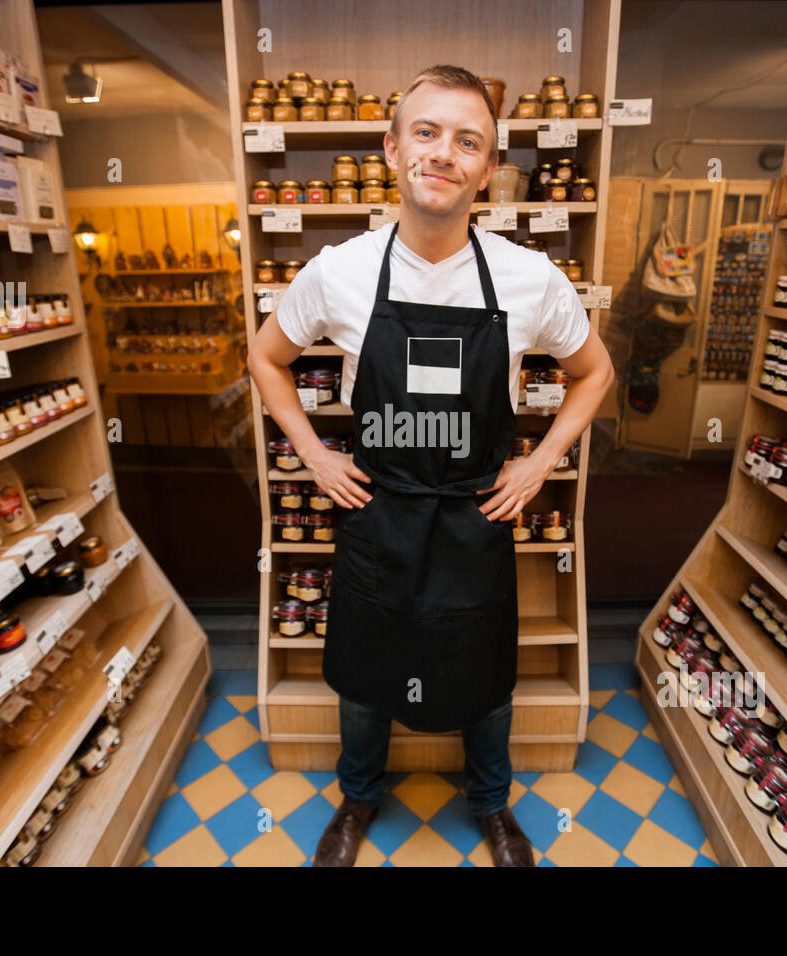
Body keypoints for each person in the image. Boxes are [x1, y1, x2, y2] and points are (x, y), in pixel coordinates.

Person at [246, 64, 615, 867]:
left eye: (467, 140)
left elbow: (597, 373)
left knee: (483, 670)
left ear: (489, 166)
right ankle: (357, 798)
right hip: (379, 509)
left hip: (477, 510)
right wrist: (311, 452)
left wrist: (541, 464)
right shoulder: (338, 271)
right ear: (392, 148)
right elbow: (265, 357)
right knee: (364, 668)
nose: (444, 153)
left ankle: (492, 806)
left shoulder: (528, 278)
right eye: (427, 132)